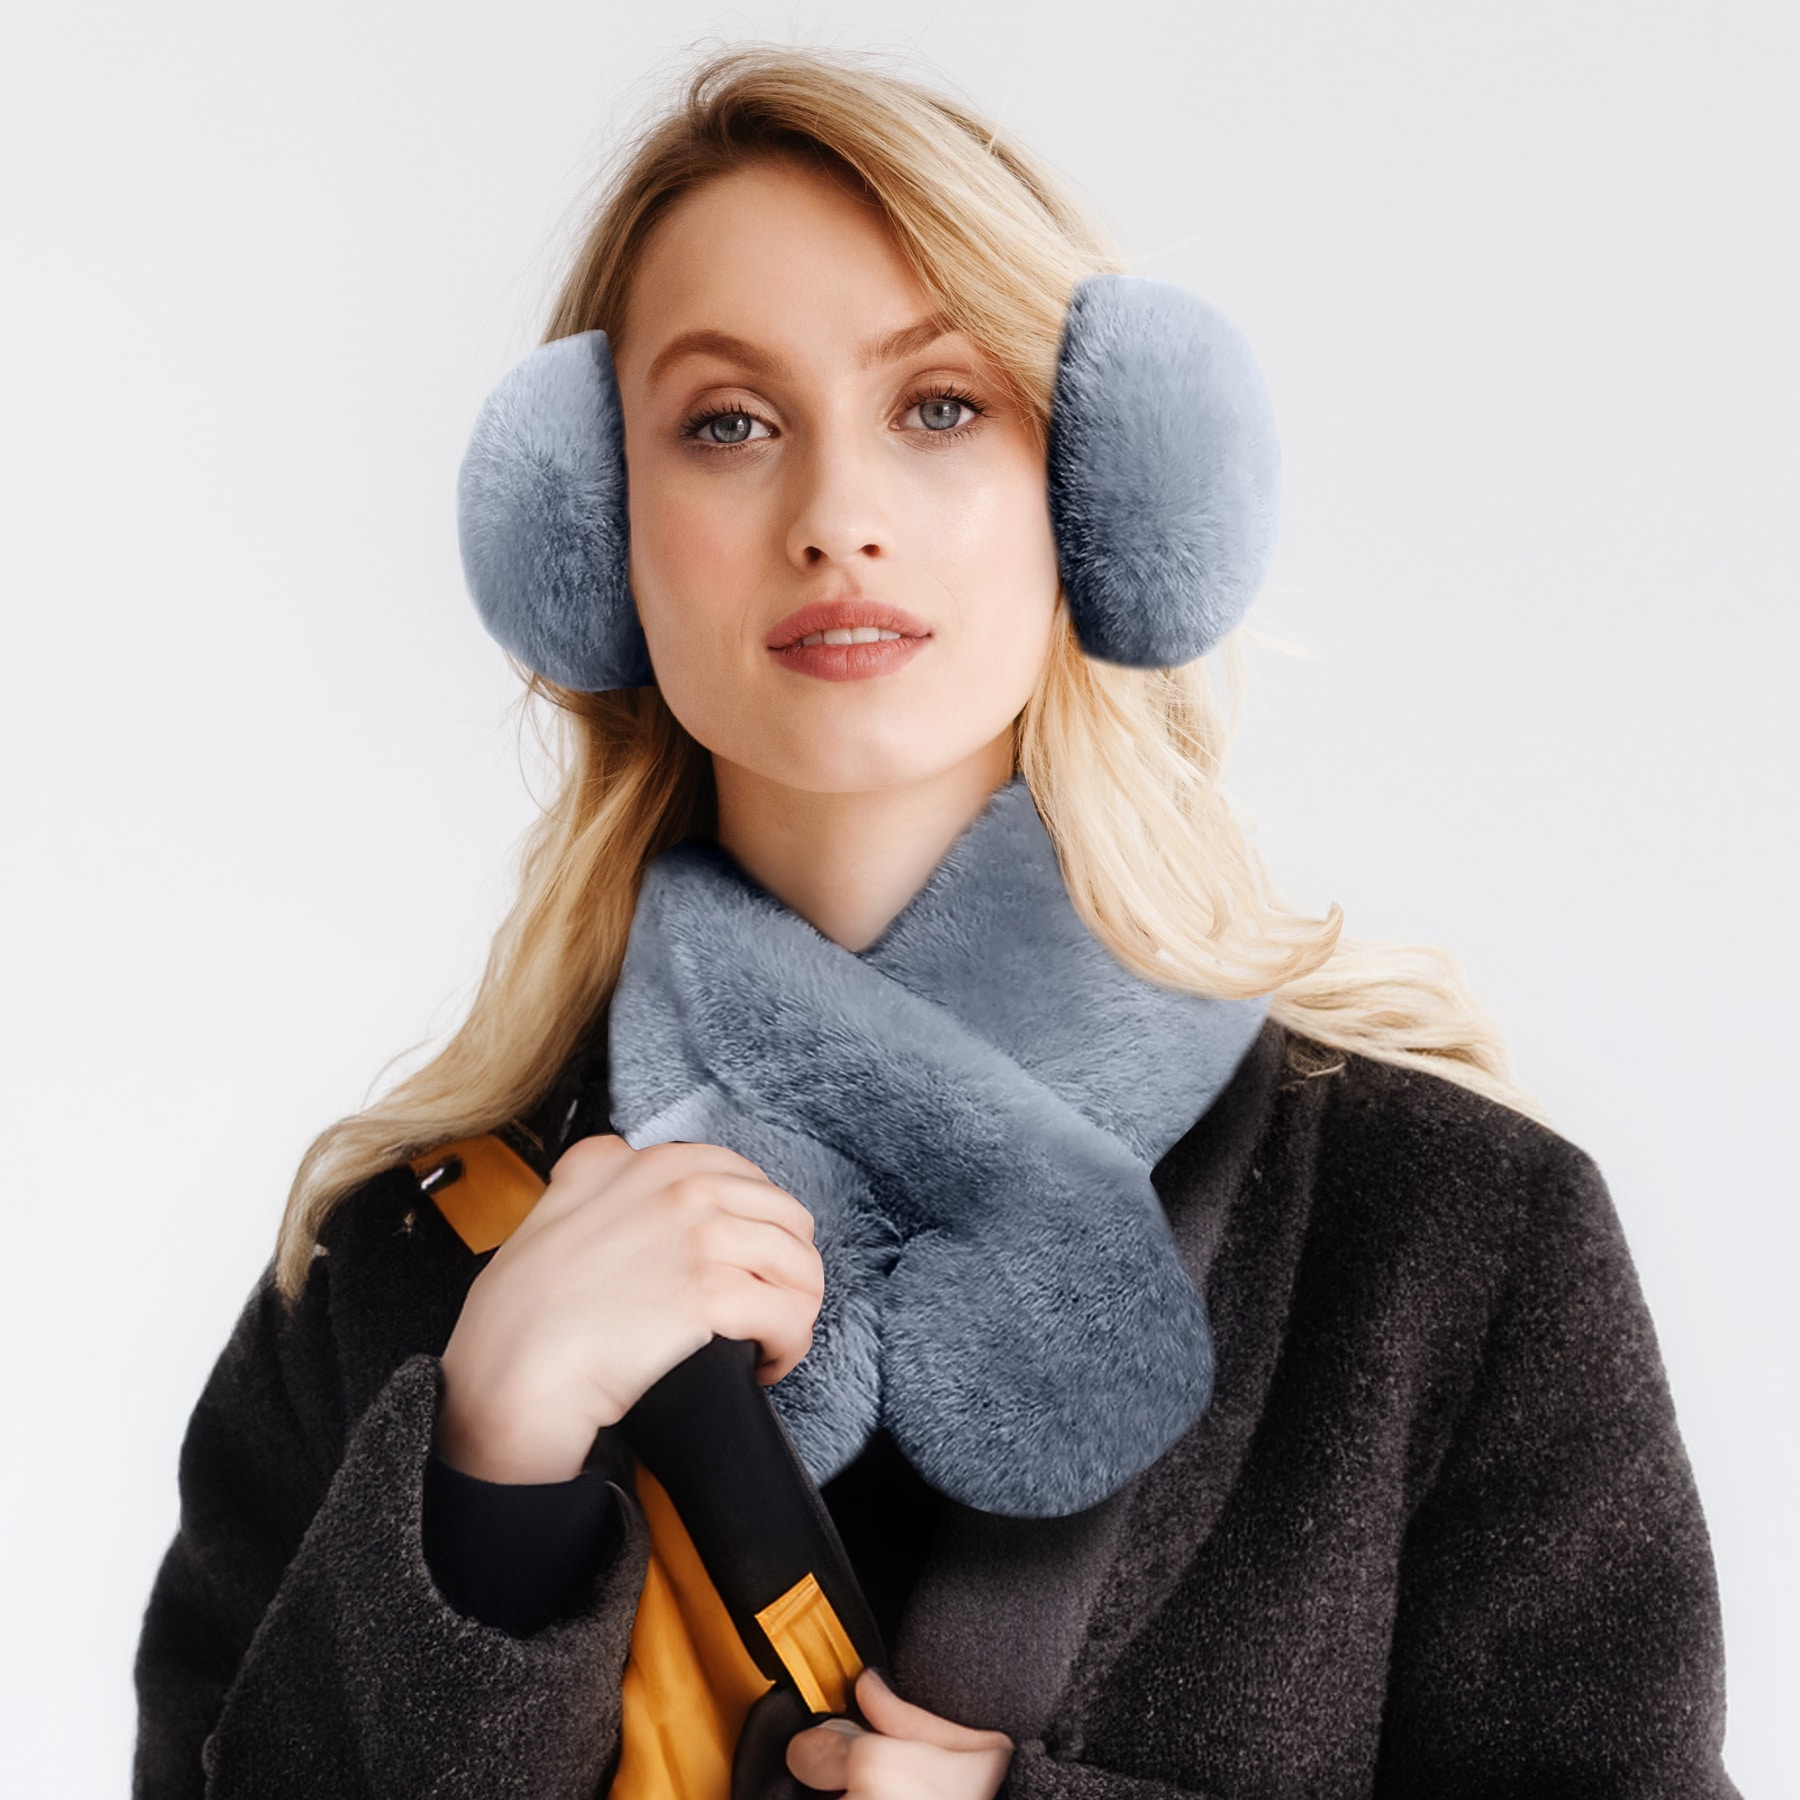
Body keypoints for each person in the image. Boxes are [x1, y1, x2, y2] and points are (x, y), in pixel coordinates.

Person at [131, 44, 1740, 1800]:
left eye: (942, 406)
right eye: (728, 423)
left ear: (1101, 493)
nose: (837, 520)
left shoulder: (1450, 1239)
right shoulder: (400, 1275)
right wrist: (486, 1480)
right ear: (592, 539)